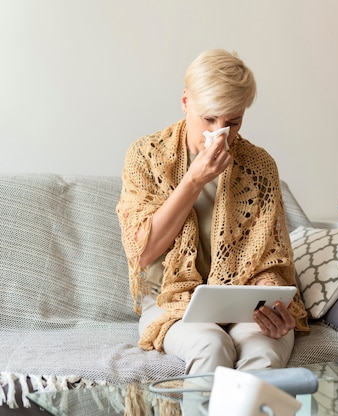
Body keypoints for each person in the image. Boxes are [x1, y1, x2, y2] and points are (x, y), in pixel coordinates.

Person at [116, 49, 308, 376]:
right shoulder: (145, 156)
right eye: (209, 119)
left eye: (232, 122)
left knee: (262, 353)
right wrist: (193, 180)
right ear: (185, 101)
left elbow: (271, 260)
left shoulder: (259, 166)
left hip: (245, 307)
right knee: (211, 344)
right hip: (171, 305)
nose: (220, 133)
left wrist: (271, 299)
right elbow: (143, 251)